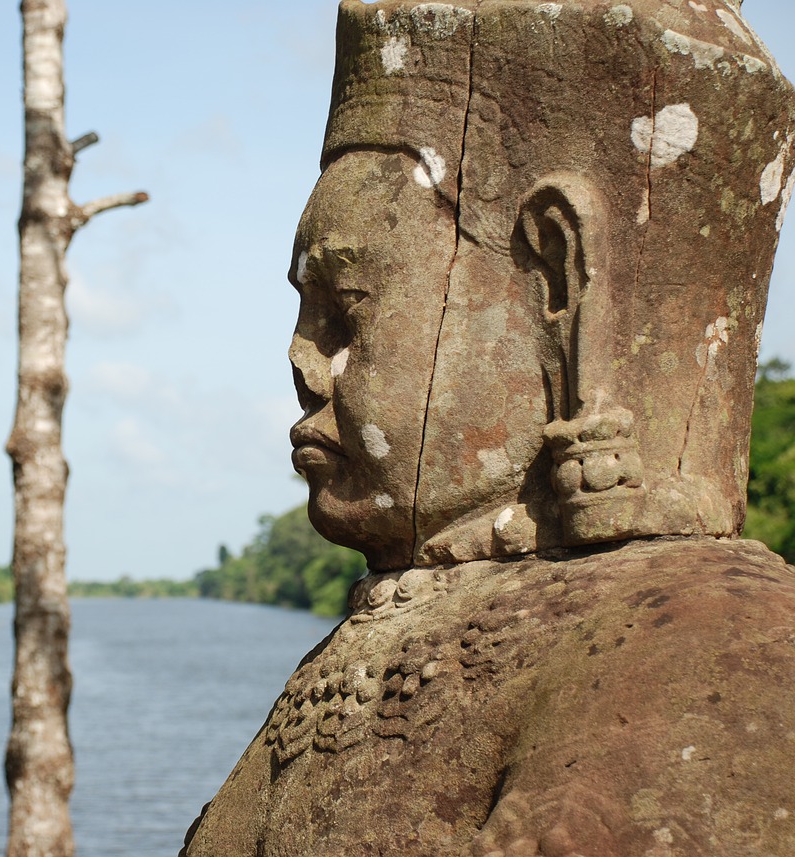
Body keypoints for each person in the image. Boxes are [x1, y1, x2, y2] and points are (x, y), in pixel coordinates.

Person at [181, 1, 795, 854]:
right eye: (303, 308)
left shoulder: (704, 658)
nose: (303, 359)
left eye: (344, 307)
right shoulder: (379, 634)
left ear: (556, 282)